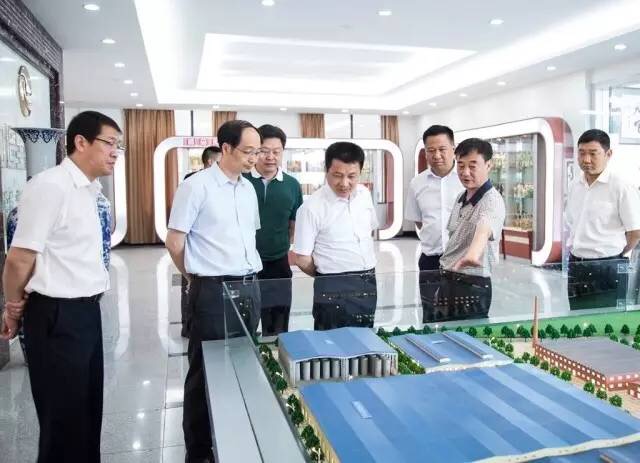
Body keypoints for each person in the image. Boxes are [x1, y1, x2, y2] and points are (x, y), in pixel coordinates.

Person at [0, 110, 120, 462]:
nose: (115, 152)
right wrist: (13, 308)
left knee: (86, 412)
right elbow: (19, 259)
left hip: (85, 312)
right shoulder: (50, 186)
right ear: (81, 142)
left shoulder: (89, 190)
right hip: (56, 315)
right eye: (109, 143)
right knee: (63, 421)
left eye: (118, 145)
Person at [166, 120, 263, 463]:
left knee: (242, 365)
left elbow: (248, 238)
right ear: (225, 148)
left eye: (257, 151)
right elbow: (175, 242)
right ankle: (199, 450)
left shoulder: (248, 189)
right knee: (205, 371)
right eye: (248, 151)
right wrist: (193, 277)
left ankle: (234, 438)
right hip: (212, 290)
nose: (254, 158)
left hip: (249, 287)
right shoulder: (196, 187)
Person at [294, 141, 378, 330]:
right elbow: (302, 259)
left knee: (366, 335)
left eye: (352, 176)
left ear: (361, 172)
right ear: (326, 171)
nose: (344, 183)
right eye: (337, 175)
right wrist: (328, 275)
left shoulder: (364, 195)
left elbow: (369, 231)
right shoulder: (311, 207)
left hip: (368, 280)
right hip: (333, 284)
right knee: (331, 340)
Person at [565, 129, 640, 310]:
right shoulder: (575, 185)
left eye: (593, 153)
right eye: (582, 153)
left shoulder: (621, 186)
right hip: (576, 265)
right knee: (576, 318)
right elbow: (572, 222)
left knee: (605, 321)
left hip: (608, 267)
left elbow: (635, 232)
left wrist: (615, 253)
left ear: (608, 154)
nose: (586, 159)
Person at [244, 124, 303, 336]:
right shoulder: (242, 181)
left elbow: (294, 223)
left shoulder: (292, 185)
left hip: (278, 262)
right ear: (255, 151)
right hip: (244, 262)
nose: (270, 157)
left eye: (276, 152)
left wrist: (285, 245)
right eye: (264, 151)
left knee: (278, 323)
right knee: (244, 321)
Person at [438, 138, 506, 321]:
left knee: (465, 335)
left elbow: (484, 228)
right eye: (460, 165)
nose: (465, 172)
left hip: (471, 285)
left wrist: (472, 255)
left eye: (472, 166)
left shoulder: (492, 201)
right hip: (448, 279)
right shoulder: (461, 197)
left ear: (489, 165)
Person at [405, 125, 464, 322]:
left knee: (464, 316)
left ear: (453, 148)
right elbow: (419, 221)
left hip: (462, 260)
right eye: (431, 150)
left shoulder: (466, 179)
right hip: (430, 260)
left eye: (442, 149)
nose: (437, 155)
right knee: (431, 315)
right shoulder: (417, 183)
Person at [180, 145, 223, 338]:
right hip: (195, 249)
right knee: (190, 290)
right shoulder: (193, 182)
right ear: (210, 161)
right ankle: (188, 326)